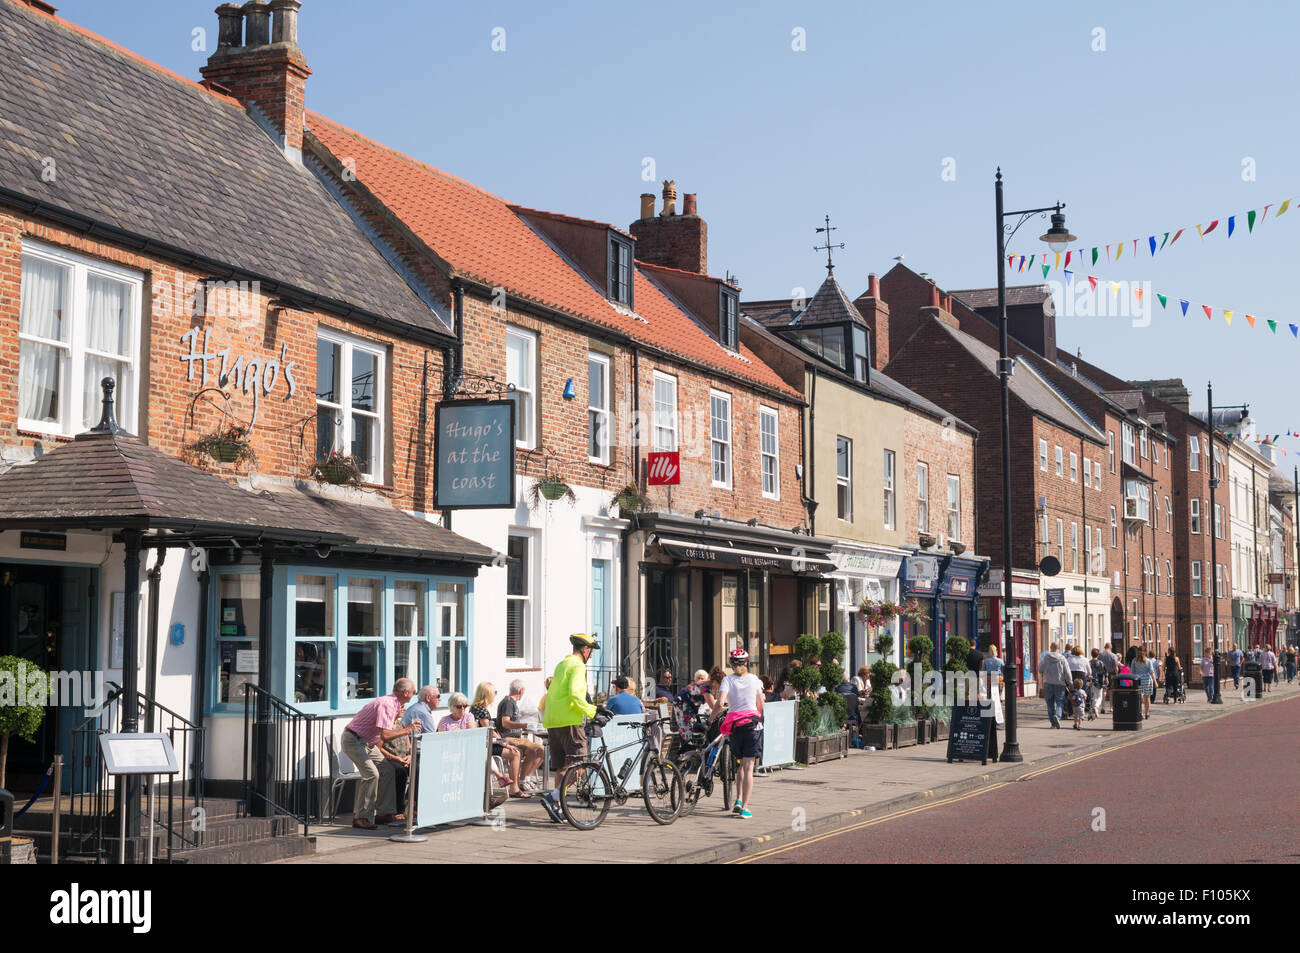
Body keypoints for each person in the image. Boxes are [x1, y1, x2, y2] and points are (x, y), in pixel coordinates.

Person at [538, 634, 603, 823]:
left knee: (562, 767)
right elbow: (575, 695)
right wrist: (593, 712)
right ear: (585, 649)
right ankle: (555, 797)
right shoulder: (578, 666)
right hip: (569, 722)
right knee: (581, 765)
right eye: (590, 651)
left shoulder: (562, 664)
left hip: (553, 721)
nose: (590, 655)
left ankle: (557, 806)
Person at [341, 678, 417, 829]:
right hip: (354, 739)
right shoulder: (387, 704)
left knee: (387, 770)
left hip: (366, 741)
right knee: (371, 774)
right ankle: (361, 817)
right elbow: (385, 735)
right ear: (405, 692)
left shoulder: (394, 704)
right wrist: (407, 730)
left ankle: (383, 813)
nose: (414, 694)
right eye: (413, 691)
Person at [711, 648, 764, 819]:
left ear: (731, 664)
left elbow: (720, 703)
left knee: (740, 765)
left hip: (734, 727)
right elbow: (760, 704)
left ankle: (738, 799)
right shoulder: (755, 680)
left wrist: (711, 719)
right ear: (747, 663)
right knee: (748, 767)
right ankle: (744, 808)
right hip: (752, 726)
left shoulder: (727, 680)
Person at [470, 681, 528, 798]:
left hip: (484, 743)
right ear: (487, 694)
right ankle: (514, 788)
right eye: (494, 692)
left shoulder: (476, 708)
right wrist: (505, 744)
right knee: (515, 753)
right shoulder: (481, 710)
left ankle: (514, 786)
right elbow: (489, 731)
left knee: (517, 751)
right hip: (485, 745)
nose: (495, 695)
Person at [497, 679, 546, 792]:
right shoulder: (508, 703)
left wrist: (522, 725)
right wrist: (524, 725)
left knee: (536, 751)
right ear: (521, 690)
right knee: (540, 750)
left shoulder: (511, 702)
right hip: (510, 738)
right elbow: (505, 722)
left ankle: (524, 780)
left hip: (516, 738)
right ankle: (524, 781)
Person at [376, 711, 411, 824]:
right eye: (401, 707)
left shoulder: (402, 724)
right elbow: (379, 748)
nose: (404, 709)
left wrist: (409, 756)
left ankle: (414, 807)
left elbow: (409, 745)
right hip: (389, 759)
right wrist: (396, 759)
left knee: (418, 769)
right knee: (400, 772)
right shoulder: (385, 726)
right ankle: (398, 810)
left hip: (404, 758)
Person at [1040, 643, 1073, 729]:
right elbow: (1067, 672)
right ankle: (1057, 716)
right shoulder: (1062, 658)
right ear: (1058, 648)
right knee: (1060, 702)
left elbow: (1040, 669)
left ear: (1051, 648)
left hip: (1048, 683)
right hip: (1059, 684)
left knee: (1050, 704)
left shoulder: (1046, 657)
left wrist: (1045, 674)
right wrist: (1070, 683)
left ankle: (1053, 724)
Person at [1130, 648, 1156, 719]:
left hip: (1138, 680)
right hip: (1147, 680)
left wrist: (1131, 681)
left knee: (1139, 698)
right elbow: (1151, 672)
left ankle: (1140, 713)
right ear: (1145, 652)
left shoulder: (1134, 661)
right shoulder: (1148, 661)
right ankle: (1147, 713)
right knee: (1147, 698)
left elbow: (1132, 672)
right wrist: (1155, 682)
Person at [1098, 642, 1119, 714]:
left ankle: (1102, 707)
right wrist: (1117, 674)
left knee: (1104, 691)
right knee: (1111, 692)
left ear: (1104, 647)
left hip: (1102, 674)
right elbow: (1116, 667)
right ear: (1111, 647)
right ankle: (1111, 707)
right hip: (1111, 674)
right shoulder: (1113, 655)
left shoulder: (1100, 655)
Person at [1087, 648, 1105, 718]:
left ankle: (1095, 708)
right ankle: (1096, 707)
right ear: (1098, 655)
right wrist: (1106, 678)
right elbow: (1104, 671)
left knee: (1094, 696)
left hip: (1092, 680)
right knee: (1100, 696)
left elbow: (1088, 671)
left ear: (1091, 654)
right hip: (1100, 680)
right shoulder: (1101, 663)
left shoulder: (1089, 662)